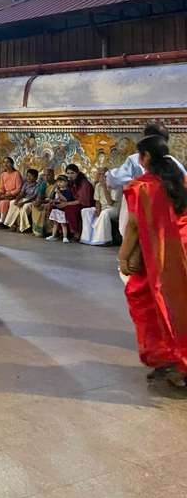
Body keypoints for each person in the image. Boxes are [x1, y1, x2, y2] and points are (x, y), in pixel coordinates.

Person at [119, 134, 187, 388]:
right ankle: (174, 360)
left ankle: (170, 359)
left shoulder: (143, 186)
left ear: (144, 157)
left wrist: (124, 254)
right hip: (180, 254)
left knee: (149, 305)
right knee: (179, 308)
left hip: (157, 258)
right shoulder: (179, 181)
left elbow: (135, 225)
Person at [107, 123, 186, 237]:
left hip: (142, 214)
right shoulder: (174, 162)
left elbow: (115, 179)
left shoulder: (135, 160)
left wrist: (107, 175)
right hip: (171, 220)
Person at [80, 168, 121, 246]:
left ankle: (105, 240)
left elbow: (110, 203)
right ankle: (87, 237)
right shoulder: (98, 185)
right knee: (85, 211)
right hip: (103, 207)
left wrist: (104, 187)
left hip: (114, 209)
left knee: (105, 213)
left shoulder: (116, 186)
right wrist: (98, 209)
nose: (101, 176)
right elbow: (97, 201)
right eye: (99, 174)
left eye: (103, 174)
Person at [0, 157, 23, 228]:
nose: (6, 164)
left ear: (12, 164)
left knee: (3, 202)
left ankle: (1, 223)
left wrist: (9, 194)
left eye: (8, 162)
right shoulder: (3, 175)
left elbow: (18, 189)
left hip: (14, 196)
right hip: (5, 195)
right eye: (4, 162)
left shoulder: (16, 174)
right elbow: (1, 188)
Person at [4, 168, 42, 232]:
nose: (28, 177)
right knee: (12, 203)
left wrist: (23, 203)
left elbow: (33, 197)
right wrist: (17, 200)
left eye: (31, 176)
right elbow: (21, 193)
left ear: (36, 177)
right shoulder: (26, 184)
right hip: (24, 199)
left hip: (31, 201)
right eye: (27, 175)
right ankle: (12, 224)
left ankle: (22, 227)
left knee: (25, 207)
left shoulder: (38, 185)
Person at [64, 164, 93, 240]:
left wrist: (67, 203)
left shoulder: (84, 183)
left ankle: (76, 232)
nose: (70, 175)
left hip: (86, 204)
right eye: (68, 173)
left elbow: (82, 200)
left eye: (72, 173)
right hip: (76, 203)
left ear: (78, 173)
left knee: (70, 208)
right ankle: (63, 232)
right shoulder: (70, 182)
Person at [46, 175, 74, 243]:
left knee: (63, 224)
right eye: (58, 182)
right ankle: (53, 235)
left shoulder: (67, 191)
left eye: (61, 182)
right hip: (55, 209)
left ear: (66, 182)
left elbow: (66, 199)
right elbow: (56, 199)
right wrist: (52, 200)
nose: (59, 183)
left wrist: (59, 193)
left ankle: (65, 237)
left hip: (62, 211)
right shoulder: (57, 190)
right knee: (55, 223)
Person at [30, 167, 54, 236]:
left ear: (53, 175)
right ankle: (37, 230)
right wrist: (38, 201)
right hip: (44, 201)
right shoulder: (43, 184)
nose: (46, 177)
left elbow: (54, 198)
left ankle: (48, 231)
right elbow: (40, 196)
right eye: (44, 175)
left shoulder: (56, 185)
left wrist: (41, 201)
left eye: (48, 175)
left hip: (52, 202)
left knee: (46, 206)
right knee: (34, 205)